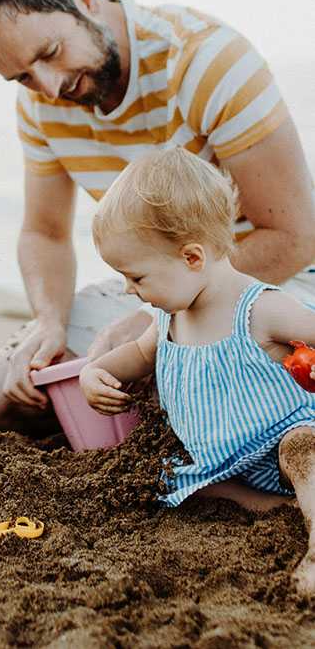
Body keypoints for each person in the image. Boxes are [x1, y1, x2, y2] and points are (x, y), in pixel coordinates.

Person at [0, 0, 315, 434]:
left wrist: (151, 321)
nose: (50, 88)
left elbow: (293, 237)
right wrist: (50, 321)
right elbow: (45, 234)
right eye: (24, 77)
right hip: (158, 288)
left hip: (266, 283)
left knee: (185, 389)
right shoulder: (41, 102)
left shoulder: (207, 61)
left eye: (50, 53)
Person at [79, 147, 315, 592]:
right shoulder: (169, 318)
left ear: (192, 257)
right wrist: (93, 374)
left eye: (137, 277)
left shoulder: (259, 308)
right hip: (220, 467)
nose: (128, 290)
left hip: (283, 445)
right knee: (174, 481)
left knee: (305, 451)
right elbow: (132, 356)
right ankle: (282, 513)